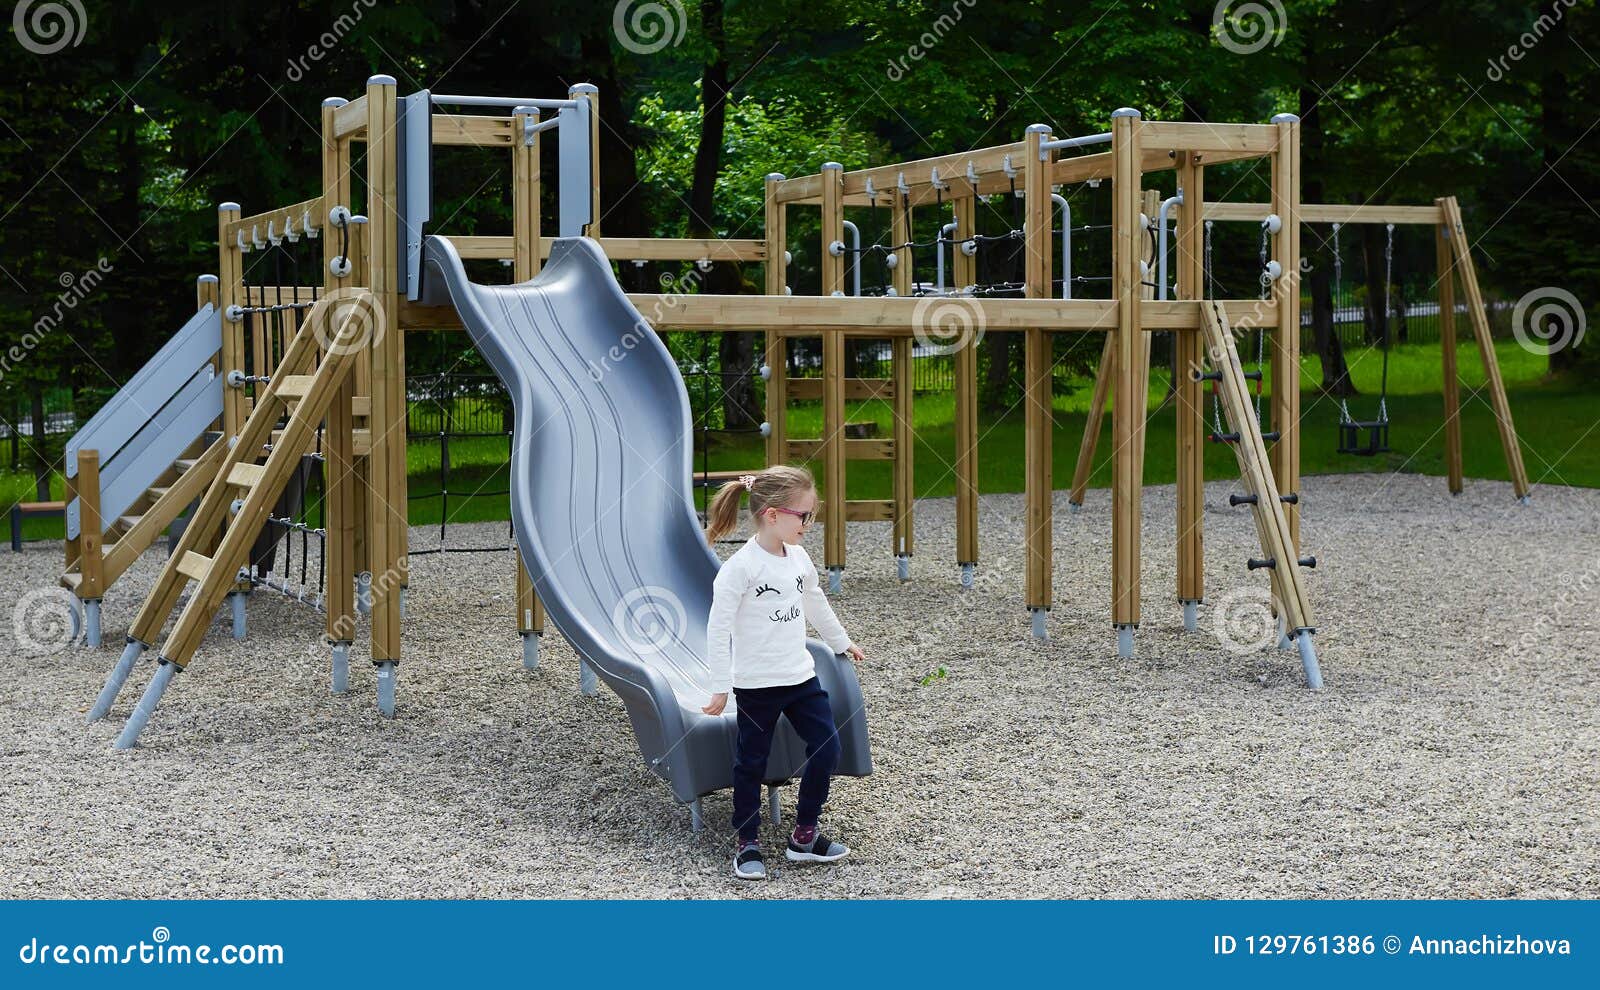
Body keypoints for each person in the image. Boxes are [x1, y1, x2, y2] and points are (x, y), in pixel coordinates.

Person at [703, 465, 866, 880]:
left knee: (827, 747)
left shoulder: (798, 558)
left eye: (812, 515)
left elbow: (814, 602)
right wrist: (720, 687)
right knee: (751, 763)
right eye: (804, 516)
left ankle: (804, 836)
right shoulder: (739, 569)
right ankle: (747, 843)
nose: (809, 525)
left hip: (801, 679)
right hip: (757, 685)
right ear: (772, 515)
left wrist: (840, 641)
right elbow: (718, 629)